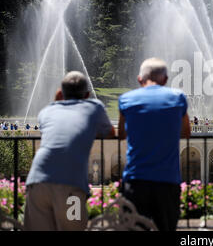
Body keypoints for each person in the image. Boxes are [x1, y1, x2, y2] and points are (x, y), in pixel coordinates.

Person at [24, 71, 115, 231]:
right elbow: (110, 133)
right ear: (87, 94)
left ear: (61, 93)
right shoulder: (95, 108)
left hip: (37, 182)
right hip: (71, 185)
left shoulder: (46, 112)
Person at [118, 58, 190, 231]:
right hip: (167, 181)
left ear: (139, 79)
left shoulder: (126, 99)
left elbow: (121, 134)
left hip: (135, 180)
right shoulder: (178, 98)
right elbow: (186, 132)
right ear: (165, 80)